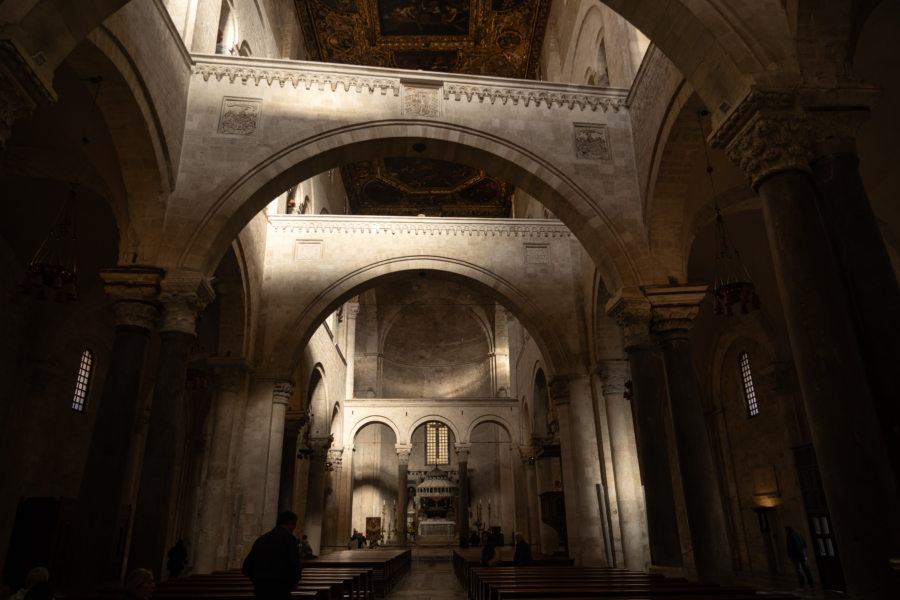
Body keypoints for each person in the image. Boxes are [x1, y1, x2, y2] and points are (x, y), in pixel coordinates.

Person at [242, 511, 303, 600]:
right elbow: (294, 563)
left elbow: (247, 567)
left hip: (260, 590)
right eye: (294, 525)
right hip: (280, 589)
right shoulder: (289, 539)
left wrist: (258, 580)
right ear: (290, 523)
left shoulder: (262, 539)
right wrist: (294, 581)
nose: (294, 528)